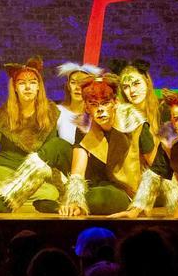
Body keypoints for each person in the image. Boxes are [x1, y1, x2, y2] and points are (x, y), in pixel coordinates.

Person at [0, 56, 70, 213]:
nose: (28, 87)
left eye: (32, 82)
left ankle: (4, 194)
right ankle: (3, 193)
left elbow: (50, 156)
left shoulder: (50, 113)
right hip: (4, 170)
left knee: (51, 193)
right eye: (22, 83)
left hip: (32, 174)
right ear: (15, 88)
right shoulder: (1, 115)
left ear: (38, 87)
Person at [49, 71, 152, 216]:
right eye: (93, 104)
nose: (100, 109)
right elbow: (78, 172)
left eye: (105, 103)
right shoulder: (84, 126)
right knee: (55, 146)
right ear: (86, 107)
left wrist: (139, 206)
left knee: (100, 197)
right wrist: (75, 200)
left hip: (127, 190)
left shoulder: (134, 124)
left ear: (115, 102)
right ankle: (71, 207)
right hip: (98, 184)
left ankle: (57, 206)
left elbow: (156, 169)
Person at [113, 57, 162, 159]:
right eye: (126, 87)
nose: (132, 91)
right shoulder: (122, 116)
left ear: (147, 82)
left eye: (136, 84)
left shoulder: (163, 109)